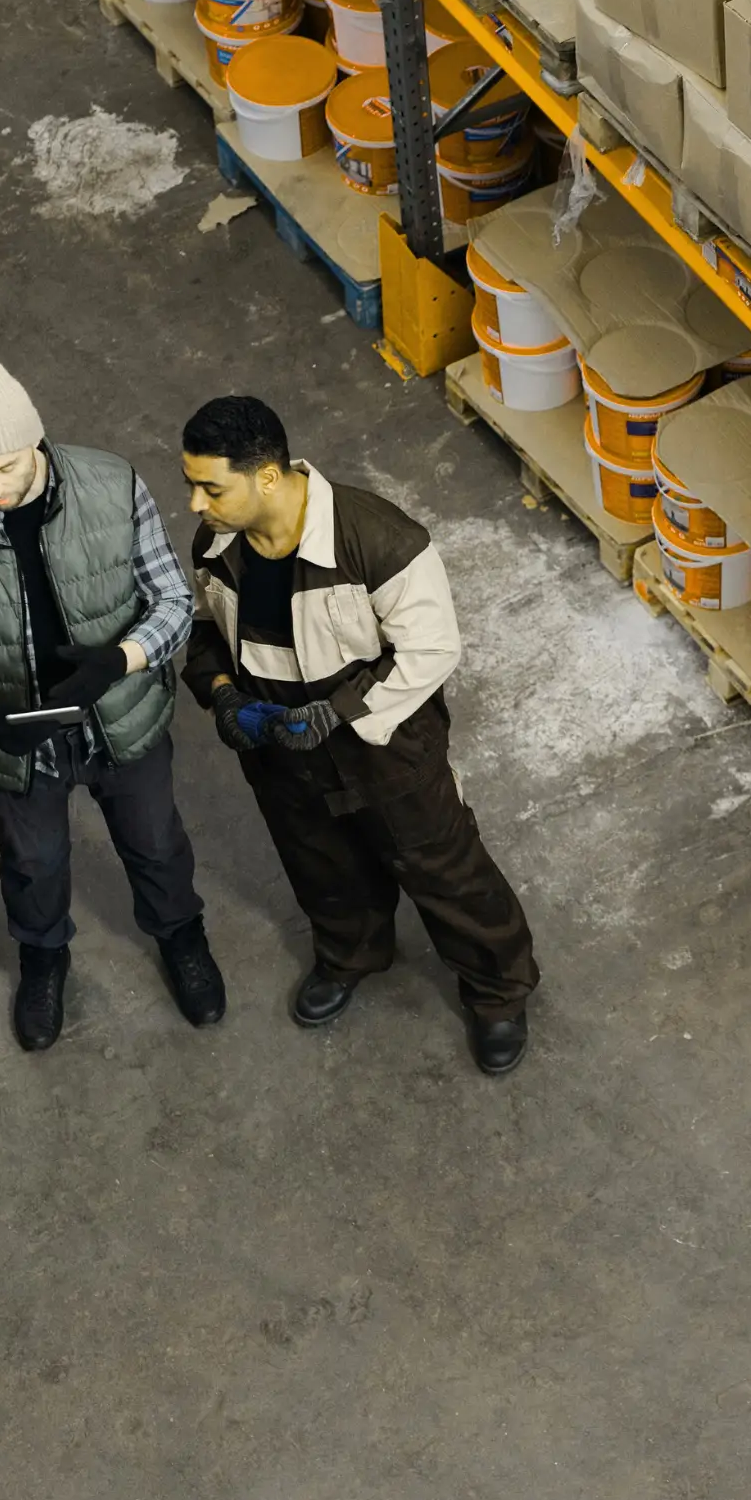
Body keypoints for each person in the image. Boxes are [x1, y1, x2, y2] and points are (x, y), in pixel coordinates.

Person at [178, 395, 539, 1074]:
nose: (197, 504)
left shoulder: (378, 540)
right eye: (192, 485)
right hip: (279, 747)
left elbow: (432, 651)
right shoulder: (217, 546)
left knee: (442, 867)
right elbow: (206, 632)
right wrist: (222, 695)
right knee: (321, 863)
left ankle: (497, 991)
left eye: (210, 487)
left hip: (384, 749)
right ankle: (352, 954)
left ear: (266, 477)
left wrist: (339, 711)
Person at [0, 353, 222, 1051]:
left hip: (122, 716)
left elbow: (172, 599)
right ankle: (43, 959)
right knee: (32, 863)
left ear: (36, 441)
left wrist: (120, 659)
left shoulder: (113, 485)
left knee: (156, 843)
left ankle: (181, 938)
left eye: (8, 467)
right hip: (14, 739)